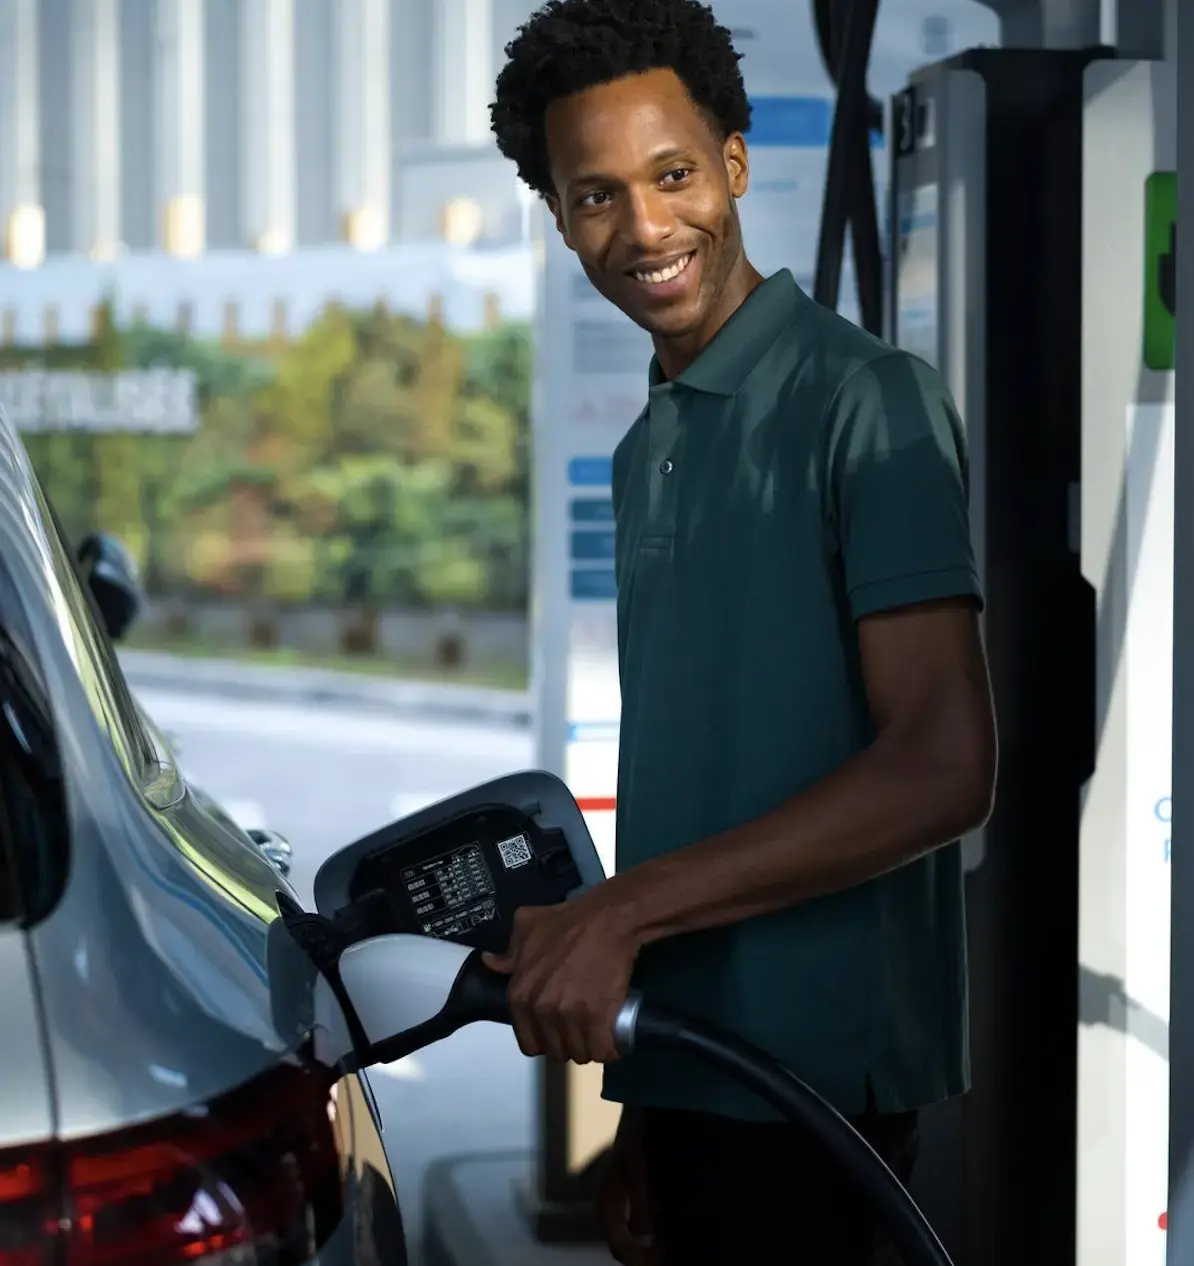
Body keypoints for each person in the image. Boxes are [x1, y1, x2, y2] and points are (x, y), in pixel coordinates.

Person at [484, 1, 998, 1262]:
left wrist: (619, 916)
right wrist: (644, 1119)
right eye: (595, 194)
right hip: (691, 1074)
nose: (645, 227)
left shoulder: (865, 401)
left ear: (734, 165)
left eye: (672, 175)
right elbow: (688, 782)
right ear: (559, 217)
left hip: (818, 1094)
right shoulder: (645, 443)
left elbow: (945, 764)